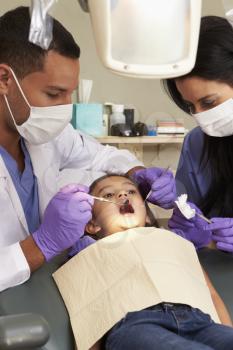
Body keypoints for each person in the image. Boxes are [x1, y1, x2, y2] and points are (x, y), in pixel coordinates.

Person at [0, 6, 176, 292]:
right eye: (54, 94)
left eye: (70, 94)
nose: (64, 110)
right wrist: (41, 245)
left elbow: (103, 155)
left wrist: (138, 173)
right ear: (5, 80)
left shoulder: (44, 133)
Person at [66, 174, 233, 350]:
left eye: (131, 191)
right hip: (136, 325)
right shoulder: (88, 250)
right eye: (108, 195)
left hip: (198, 320)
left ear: (146, 215)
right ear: (92, 224)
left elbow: (210, 294)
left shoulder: (174, 241)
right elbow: (85, 310)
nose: (123, 195)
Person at [163, 15, 233, 253]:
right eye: (191, 106)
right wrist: (188, 226)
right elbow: (189, 210)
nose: (201, 117)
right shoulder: (197, 143)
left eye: (210, 102)